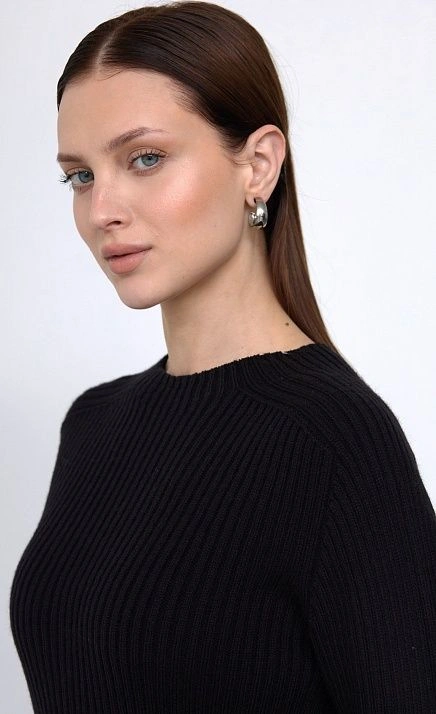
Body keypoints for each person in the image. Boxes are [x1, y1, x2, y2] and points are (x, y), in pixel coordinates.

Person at [9, 2, 436, 712]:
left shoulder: (332, 442)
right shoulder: (93, 425)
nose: (101, 209)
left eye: (145, 159)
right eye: (79, 176)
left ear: (258, 166)